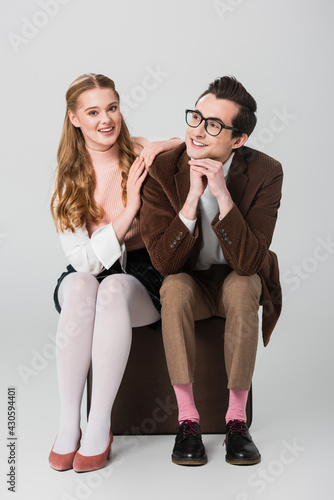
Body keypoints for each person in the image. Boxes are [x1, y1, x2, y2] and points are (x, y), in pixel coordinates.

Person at [140, 76, 283, 466]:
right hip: (190, 282)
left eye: (214, 125)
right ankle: (188, 421)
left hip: (236, 278)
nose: (198, 132)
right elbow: (165, 264)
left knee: (242, 286)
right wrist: (191, 198)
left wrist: (221, 193)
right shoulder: (164, 168)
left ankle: (237, 421)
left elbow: (251, 262)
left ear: (239, 140)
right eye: (196, 117)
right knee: (173, 288)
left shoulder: (266, 172)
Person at [49, 73, 181, 473]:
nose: (106, 119)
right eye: (93, 112)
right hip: (89, 275)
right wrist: (129, 210)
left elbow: (184, 144)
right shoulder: (68, 178)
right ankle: (68, 420)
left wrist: (158, 145)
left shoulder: (137, 151)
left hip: (142, 277)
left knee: (109, 290)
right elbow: (86, 261)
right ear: (74, 118)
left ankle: (98, 422)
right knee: (80, 283)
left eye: (112, 108)